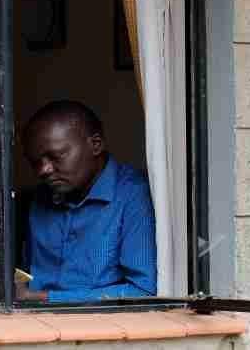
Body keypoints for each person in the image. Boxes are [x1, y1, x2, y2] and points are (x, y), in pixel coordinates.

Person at [16, 100, 156, 303]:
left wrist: (43, 297)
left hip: (101, 326)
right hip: (32, 321)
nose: (43, 170)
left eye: (56, 156)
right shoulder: (40, 198)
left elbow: (144, 291)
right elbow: (28, 275)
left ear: (95, 145)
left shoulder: (133, 195)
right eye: (36, 162)